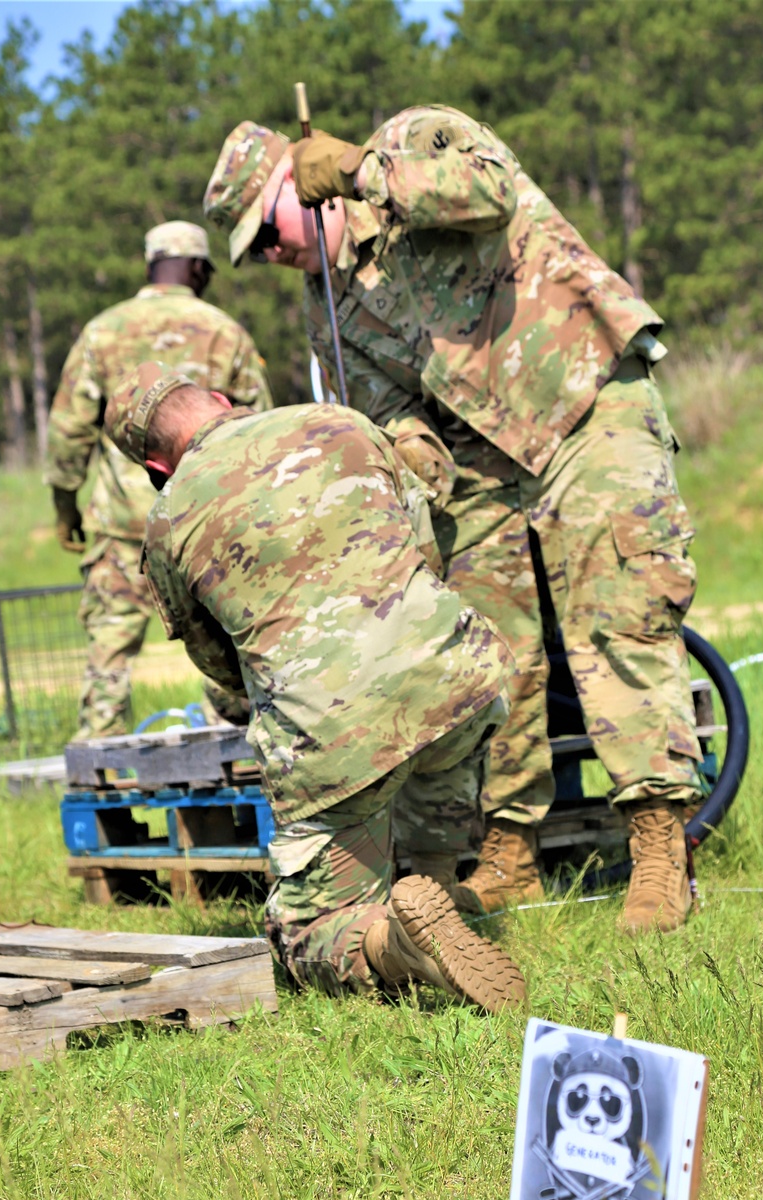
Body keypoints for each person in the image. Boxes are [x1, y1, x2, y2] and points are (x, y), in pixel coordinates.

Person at [203, 114, 704, 935]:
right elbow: (390, 408)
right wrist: (410, 463)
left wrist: (365, 169)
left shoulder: (412, 140)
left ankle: (657, 848)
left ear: (302, 182)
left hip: (584, 401)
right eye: (255, 252)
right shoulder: (327, 308)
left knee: (622, 614)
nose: (270, 255)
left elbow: (489, 188)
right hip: (480, 462)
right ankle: (509, 852)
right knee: (485, 650)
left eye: (268, 232)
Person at [103, 359, 526, 1011]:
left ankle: (394, 943)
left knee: (307, 938)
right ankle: (434, 888)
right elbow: (429, 548)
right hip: (457, 680)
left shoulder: (167, 522)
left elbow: (217, 661)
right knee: (434, 793)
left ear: (156, 466)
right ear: (218, 398)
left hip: (334, 737)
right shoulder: (340, 421)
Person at [43, 220, 272, 738]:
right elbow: (261, 425)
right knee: (226, 628)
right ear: (196, 267)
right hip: (210, 520)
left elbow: (68, 432)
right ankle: (234, 733)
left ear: (150, 265)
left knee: (110, 642)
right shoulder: (224, 330)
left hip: (124, 523)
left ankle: (100, 749)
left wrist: (65, 511)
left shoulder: (103, 330)